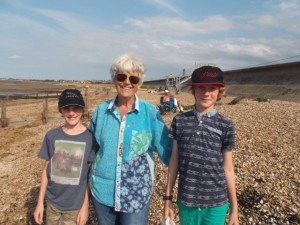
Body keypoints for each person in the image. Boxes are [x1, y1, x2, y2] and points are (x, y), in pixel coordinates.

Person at [88, 53, 173, 225]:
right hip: (102, 191)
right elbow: (90, 152)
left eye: (133, 79)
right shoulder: (101, 111)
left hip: (137, 193)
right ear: (114, 79)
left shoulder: (150, 114)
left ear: (139, 84)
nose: (127, 82)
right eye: (121, 76)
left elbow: (169, 152)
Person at [163, 66, 239, 225]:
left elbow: (228, 168)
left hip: (217, 202)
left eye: (212, 88)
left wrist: (234, 209)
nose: (206, 93)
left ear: (219, 91)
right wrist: (167, 198)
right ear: (193, 90)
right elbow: (174, 162)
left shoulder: (226, 125)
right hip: (187, 201)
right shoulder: (180, 121)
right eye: (201, 88)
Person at [33, 89, 98, 225]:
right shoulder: (51, 136)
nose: (72, 113)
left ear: (83, 109)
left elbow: (89, 177)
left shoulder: (90, 139)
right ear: (60, 110)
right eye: (67, 108)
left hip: (75, 207)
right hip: (52, 204)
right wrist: (40, 203)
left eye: (76, 108)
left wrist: (85, 207)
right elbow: (46, 170)